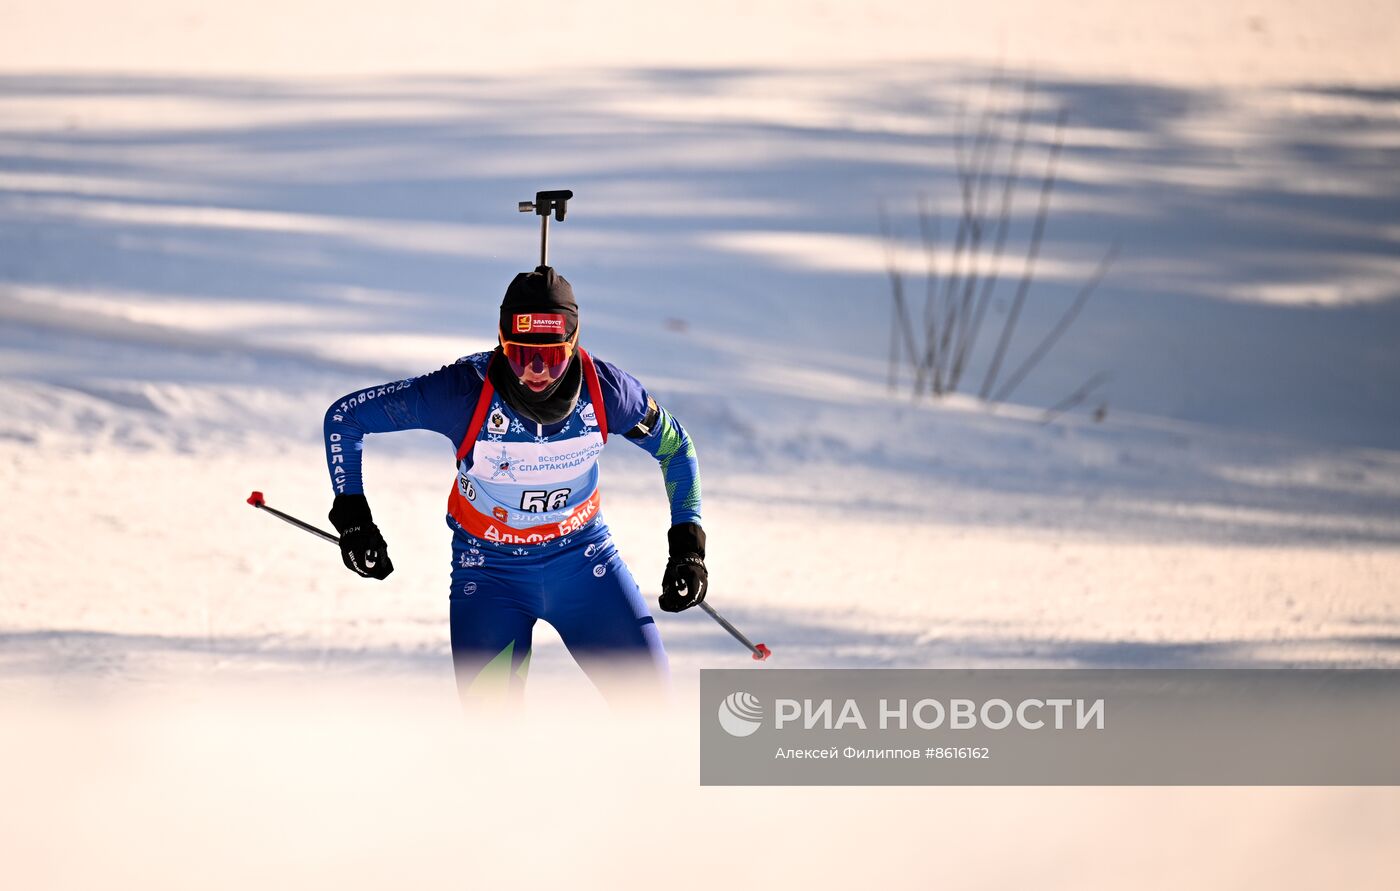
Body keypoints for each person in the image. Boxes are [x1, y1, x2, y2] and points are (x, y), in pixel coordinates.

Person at [321, 266, 706, 705]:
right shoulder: (460, 392)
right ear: (501, 342)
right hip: (490, 575)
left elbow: (676, 448)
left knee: (654, 713)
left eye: (554, 356)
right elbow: (345, 417)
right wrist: (353, 519)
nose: (537, 372)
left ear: (574, 343)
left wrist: (688, 545)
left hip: (584, 566)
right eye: (521, 355)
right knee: (493, 742)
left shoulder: (607, 392)